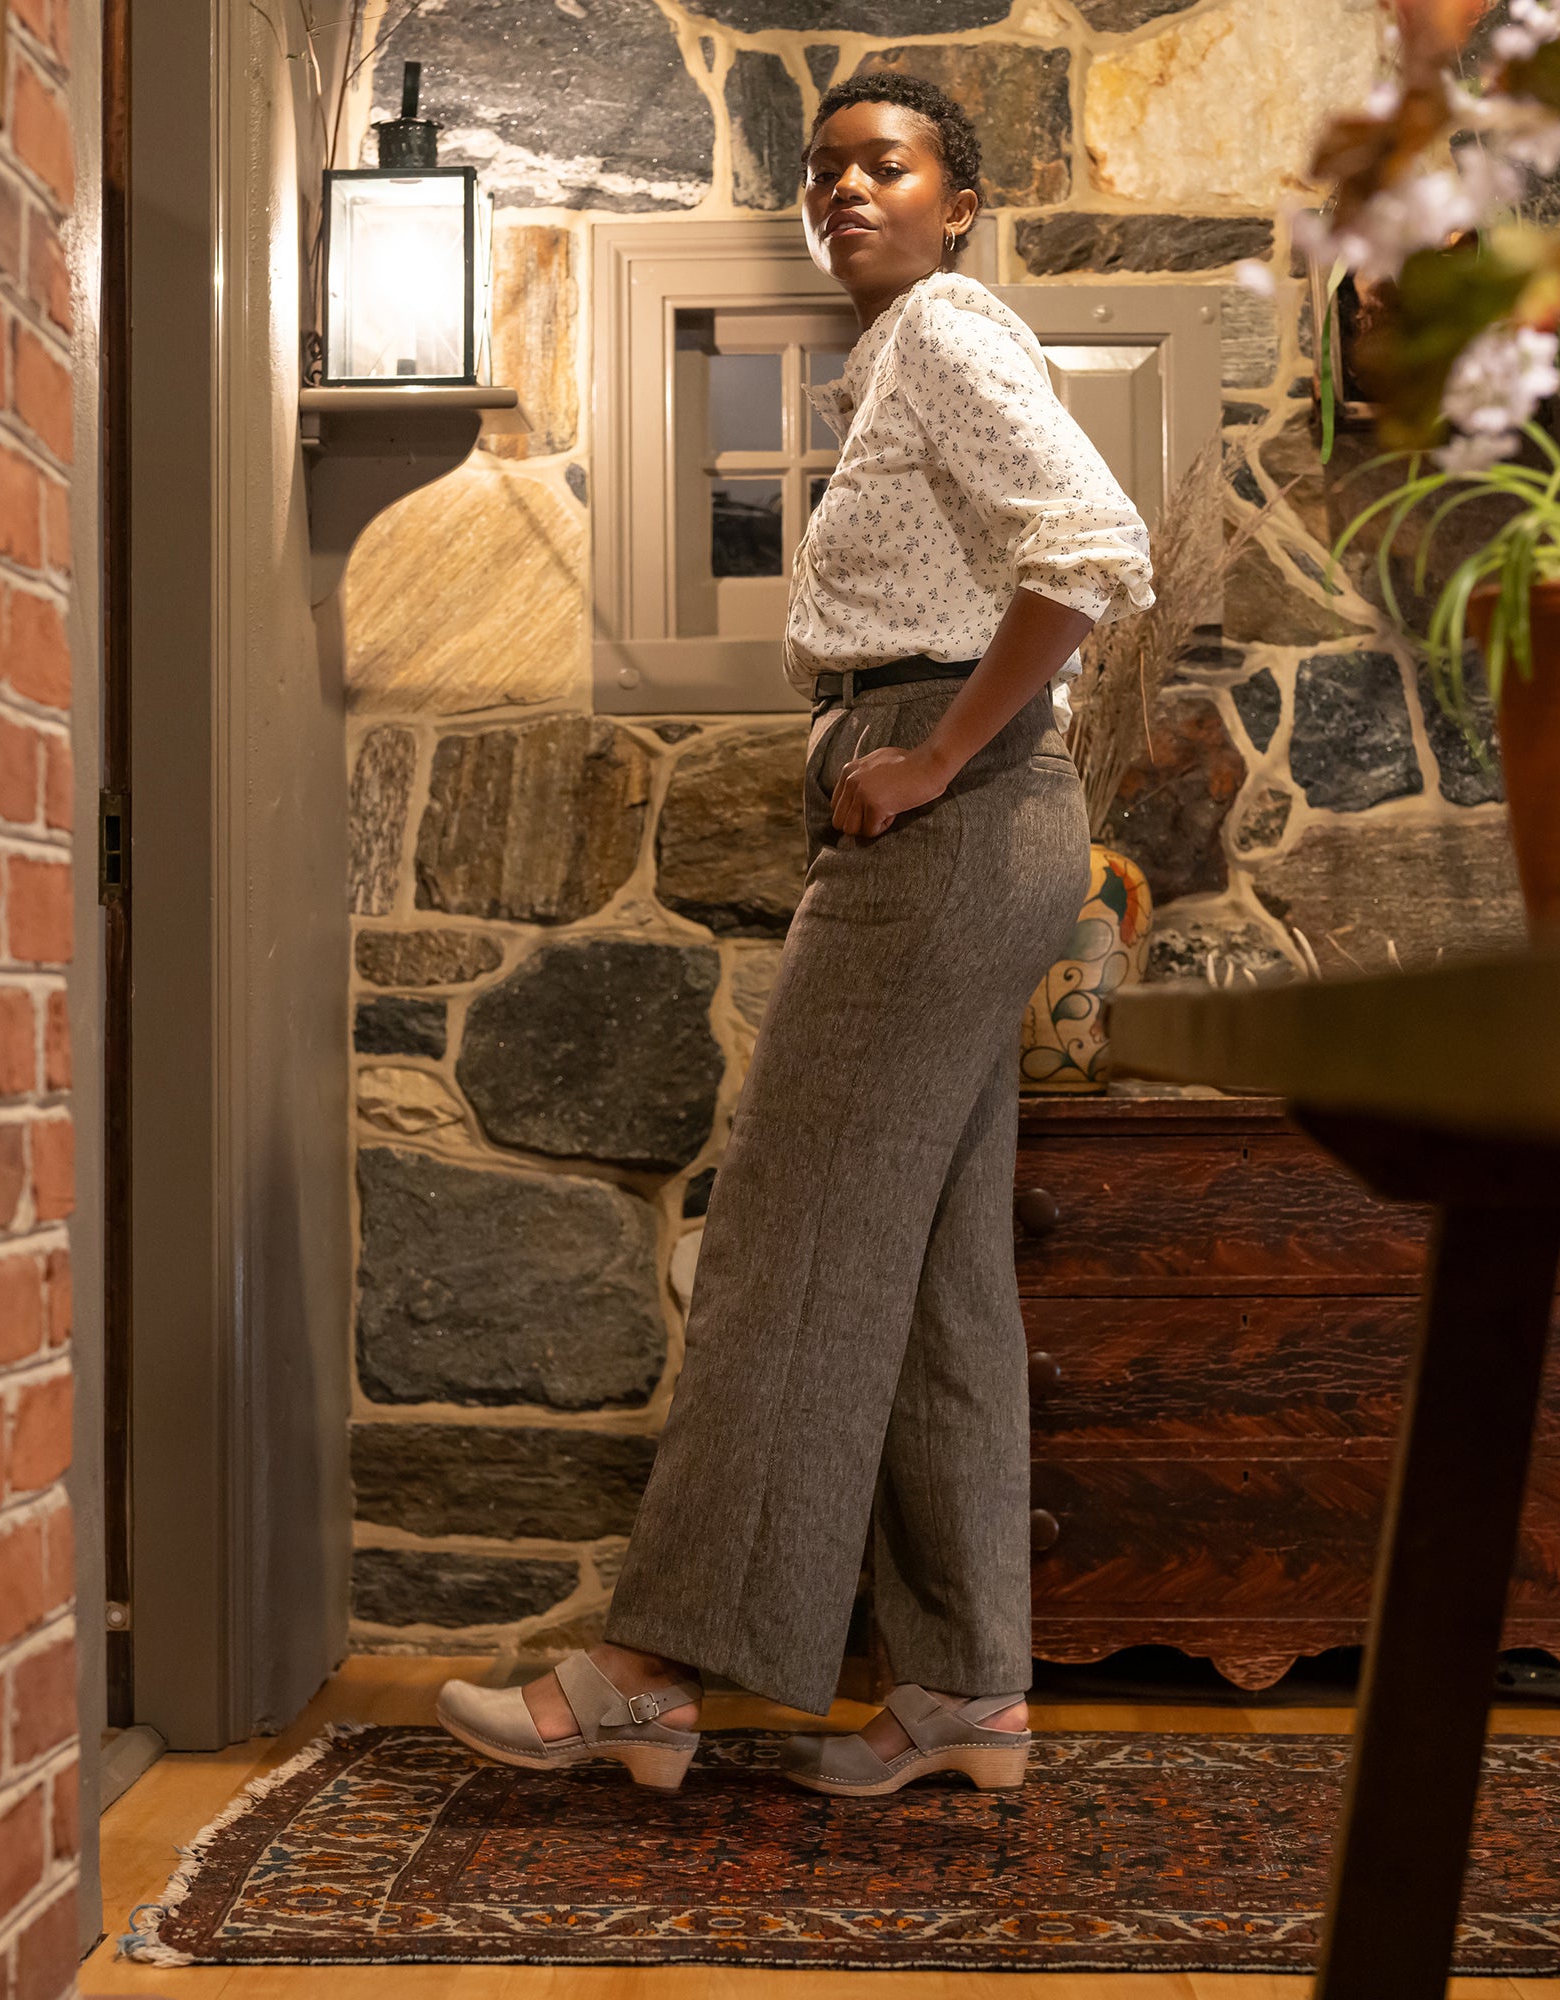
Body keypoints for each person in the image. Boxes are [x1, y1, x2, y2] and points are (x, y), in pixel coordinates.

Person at [438, 72, 1154, 1797]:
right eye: (823, 170)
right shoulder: (901, 350)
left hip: (949, 826)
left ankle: (651, 1668)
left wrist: (932, 757)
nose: (843, 191)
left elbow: (1097, 545)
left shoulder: (949, 326)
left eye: (884, 167)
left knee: (783, 1229)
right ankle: (967, 1688)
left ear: (956, 201)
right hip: (979, 834)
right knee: (926, 1276)